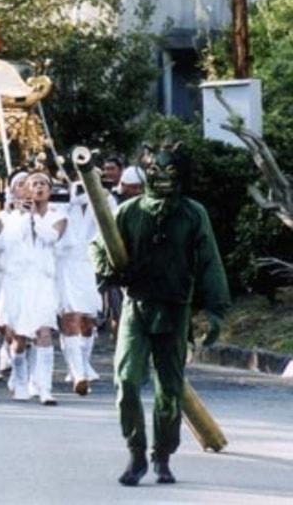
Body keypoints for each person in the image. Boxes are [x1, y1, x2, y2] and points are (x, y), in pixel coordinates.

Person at [90, 143, 230, 486]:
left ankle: (162, 456)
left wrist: (214, 310)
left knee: (169, 388)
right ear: (146, 173)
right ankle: (136, 452)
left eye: (171, 172)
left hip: (174, 309)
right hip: (136, 308)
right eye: (156, 172)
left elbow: (209, 261)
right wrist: (108, 270)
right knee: (126, 380)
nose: (164, 178)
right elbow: (98, 245)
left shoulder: (193, 213)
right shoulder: (129, 211)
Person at [0, 171, 66, 404]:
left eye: (43, 184)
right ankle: (20, 378)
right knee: (19, 337)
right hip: (17, 281)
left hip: (42, 280)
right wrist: (20, 217)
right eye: (33, 184)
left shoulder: (58, 215)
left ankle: (44, 387)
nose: (38, 188)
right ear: (24, 189)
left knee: (44, 332)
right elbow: (1, 245)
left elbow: (51, 238)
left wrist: (34, 217)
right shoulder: (9, 218)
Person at [56, 180, 116, 396]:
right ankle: (78, 373)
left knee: (88, 322)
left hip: (90, 267)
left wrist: (103, 197)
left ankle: (83, 362)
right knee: (70, 318)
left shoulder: (105, 201)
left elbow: (113, 222)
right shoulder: (62, 202)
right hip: (65, 267)